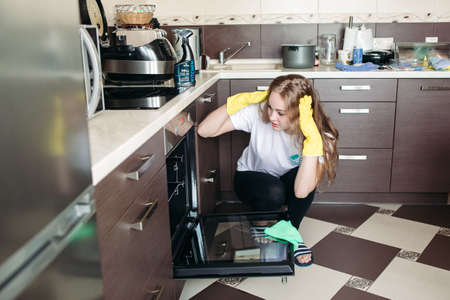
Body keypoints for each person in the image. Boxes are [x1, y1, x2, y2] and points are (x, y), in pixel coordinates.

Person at [198, 74, 338, 267]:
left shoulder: (319, 136)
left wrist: (312, 142)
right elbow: (205, 130)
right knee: (274, 190)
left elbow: (301, 191)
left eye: (280, 113)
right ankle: (260, 224)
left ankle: (290, 233)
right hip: (251, 179)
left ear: (299, 113)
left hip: (289, 183)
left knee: (307, 174)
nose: (271, 116)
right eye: (270, 107)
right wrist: (236, 102)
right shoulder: (260, 112)